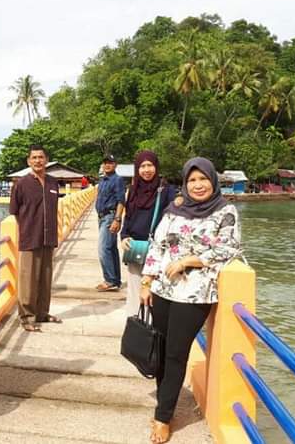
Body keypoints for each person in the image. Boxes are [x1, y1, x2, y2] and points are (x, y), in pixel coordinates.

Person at [139, 157, 241, 443]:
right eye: (192, 180)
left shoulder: (225, 211)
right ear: (185, 183)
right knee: (161, 349)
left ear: (213, 181)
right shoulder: (175, 209)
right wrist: (146, 281)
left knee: (176, 353)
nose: (198, 185)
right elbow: (157, 245)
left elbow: (229, 248)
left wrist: (190, 260)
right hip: (163, 289)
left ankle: (163, 417)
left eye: (203, 179)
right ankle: (164, 403)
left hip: (196, 293)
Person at [9, 144, 61, 332]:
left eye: (41, 157)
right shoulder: (21, 184)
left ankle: (42, 313)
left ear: (47, 160)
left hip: (49, 237)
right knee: (28, 280)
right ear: (29, 161)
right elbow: (15, 211)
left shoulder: (53, 183)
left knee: (45, 279)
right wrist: (27, 228)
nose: (38, 160)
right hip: (30, 237)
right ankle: (26, 317)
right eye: (34, 157)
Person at [120, 151, 176, 316]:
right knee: (134, 290)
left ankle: (153, 327)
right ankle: (134, 323)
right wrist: (124, 236)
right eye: (142, 166)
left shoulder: (166, 190)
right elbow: (128, 216)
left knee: (154, 290)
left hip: (157, 249)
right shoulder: (133, 190)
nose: (146, 170)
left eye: (150, 165)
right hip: (136, 247)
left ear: (156, 167)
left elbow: (173, 217)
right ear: (137, 169)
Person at [95, 154, 126, 291]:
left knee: (103, 249)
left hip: (110, 216)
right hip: (102, 217)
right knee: (111, 248)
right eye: (105, 163)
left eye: (110, 163)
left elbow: (121, 201)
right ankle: (115, 280)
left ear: (115, 165)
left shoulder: (117, 180)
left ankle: (109, 280)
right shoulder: (103, 180)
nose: (107, 165)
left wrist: (117, 219)